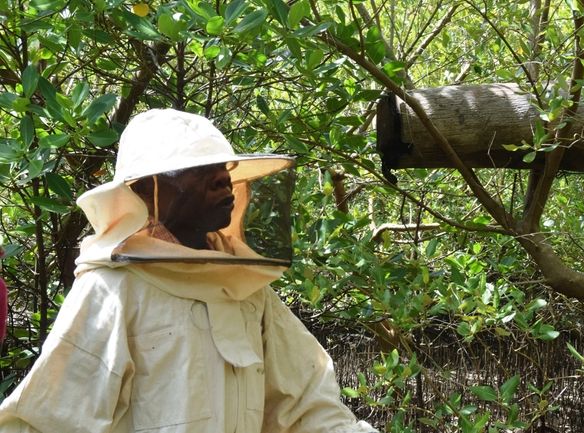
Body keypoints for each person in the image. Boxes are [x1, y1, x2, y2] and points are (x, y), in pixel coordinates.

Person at [0, 109, 377, 433]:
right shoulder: (111, 289)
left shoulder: (244, 287)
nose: (222, 178)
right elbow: (49, 420)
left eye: (223, 166)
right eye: (200, 169)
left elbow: (307, 405)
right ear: (147, 189)